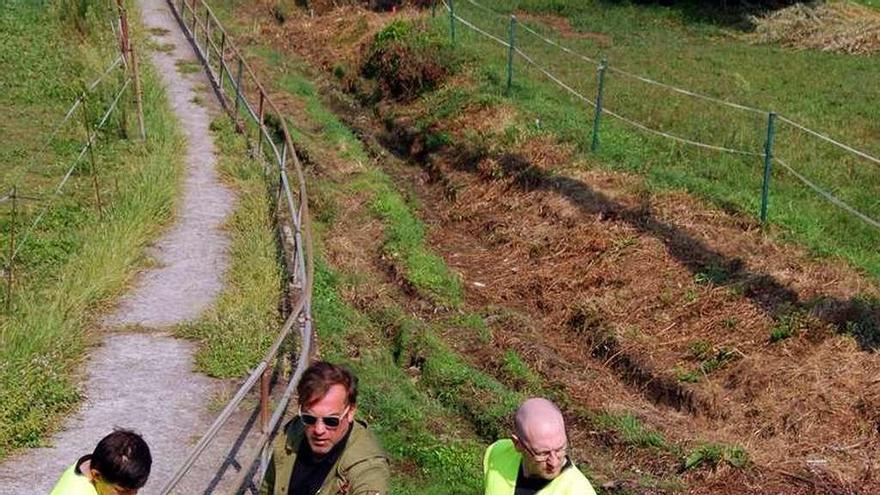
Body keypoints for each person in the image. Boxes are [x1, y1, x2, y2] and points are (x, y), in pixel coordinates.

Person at [261, 361, 390, 495]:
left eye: (331, 421)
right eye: (309, 418)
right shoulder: (294, 431)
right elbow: (268, 487)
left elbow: (369, 482)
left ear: (351, 411)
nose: (319, 430)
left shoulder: (366, 467)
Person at [483, 398, 596, 495]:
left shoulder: (579, 491)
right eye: (543, 454)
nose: (554, 462)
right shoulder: (497, 453)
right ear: (518, 444)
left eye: (560, 449)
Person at [49, 429, 152, 495]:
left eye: (136, 490)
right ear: (96, 475)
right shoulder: (75, 491)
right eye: (122, 491)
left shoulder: (91, 463)